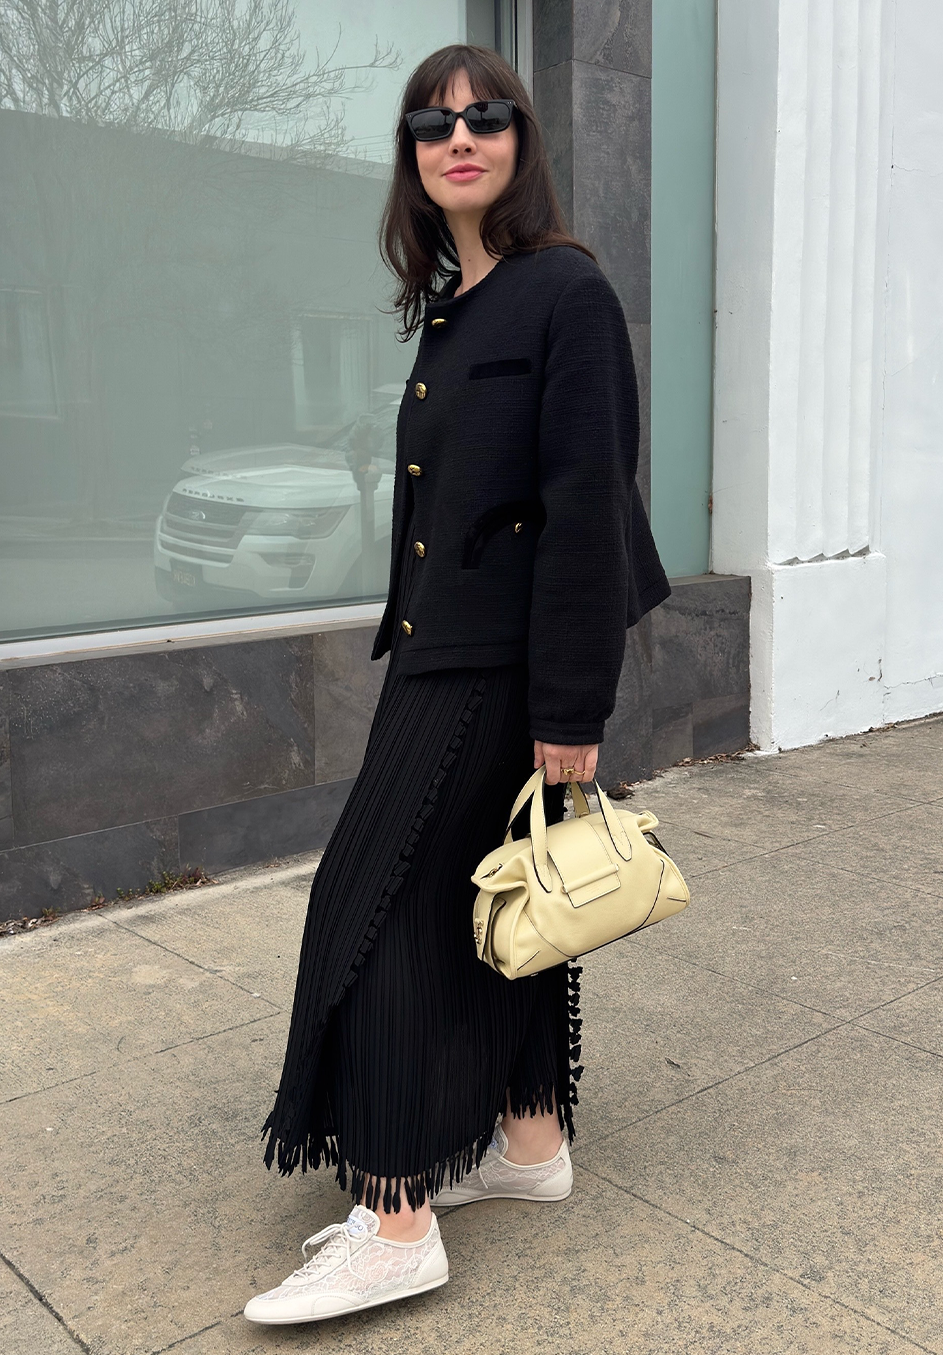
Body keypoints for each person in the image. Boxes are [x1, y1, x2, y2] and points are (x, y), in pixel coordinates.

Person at [246, 45, 670, 1324]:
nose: (460, 137)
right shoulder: (457, 300)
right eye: (431, 124)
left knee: (374, 914)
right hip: (441, 646)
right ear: (412, 159)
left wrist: (570, 715)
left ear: (522, 139)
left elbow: (588, 507)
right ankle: (527, 1145)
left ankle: (394, 1217)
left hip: (506, 666)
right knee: (501, 900)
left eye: (486, 116)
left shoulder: (563, 293)